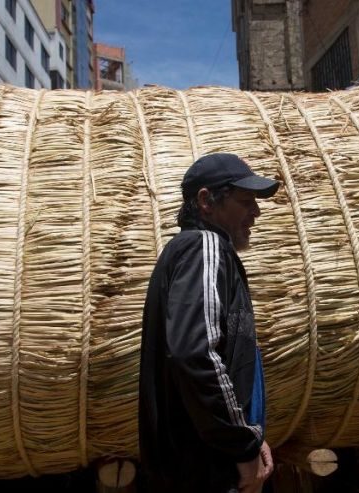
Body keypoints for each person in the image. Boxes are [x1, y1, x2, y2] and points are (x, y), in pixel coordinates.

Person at [138, 153, 278, 493]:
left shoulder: (192, 252)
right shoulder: (204, 247)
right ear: (206, 201)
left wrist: (249, 432)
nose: (255, 213)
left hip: (206, 460)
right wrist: (241, 447)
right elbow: (196, 353)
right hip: (209, 468)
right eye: (245, 202)